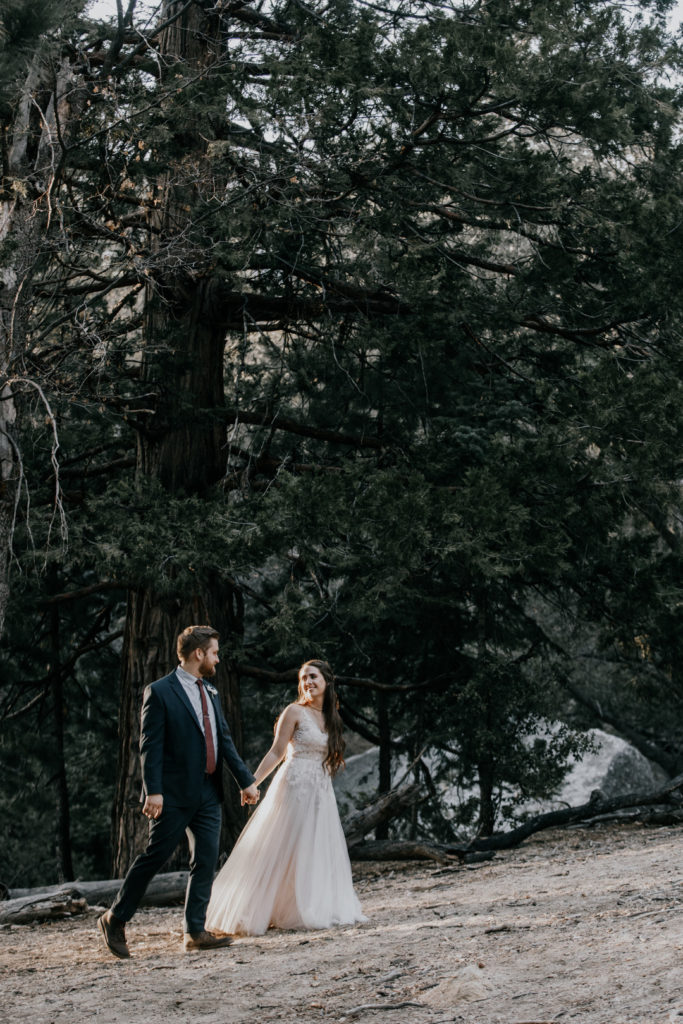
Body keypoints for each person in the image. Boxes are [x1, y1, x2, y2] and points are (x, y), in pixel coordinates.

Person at [97, 625, 260, 958]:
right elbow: (150, 746)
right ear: (198, 654)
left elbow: (223, 741)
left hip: (208, 793)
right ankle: (115, 918)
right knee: (154, 857)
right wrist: (152, 791)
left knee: (205, 859)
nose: (217, 657)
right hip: (172, 794)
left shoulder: (211, 692)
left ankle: (195, 931)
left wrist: (246, 780)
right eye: (214, 651)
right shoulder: (159, 692)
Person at [205, 659, 367, 935]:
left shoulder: (332, 717)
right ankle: (253, 908)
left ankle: (305, 905)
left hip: (319, 790)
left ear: (327, 681)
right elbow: (276, 752)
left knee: (314, 847)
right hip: (294, 785)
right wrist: (251, 783)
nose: (308, 682)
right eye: (304, 678)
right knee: (278, 846)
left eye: (313, 676)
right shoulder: (293, 712)